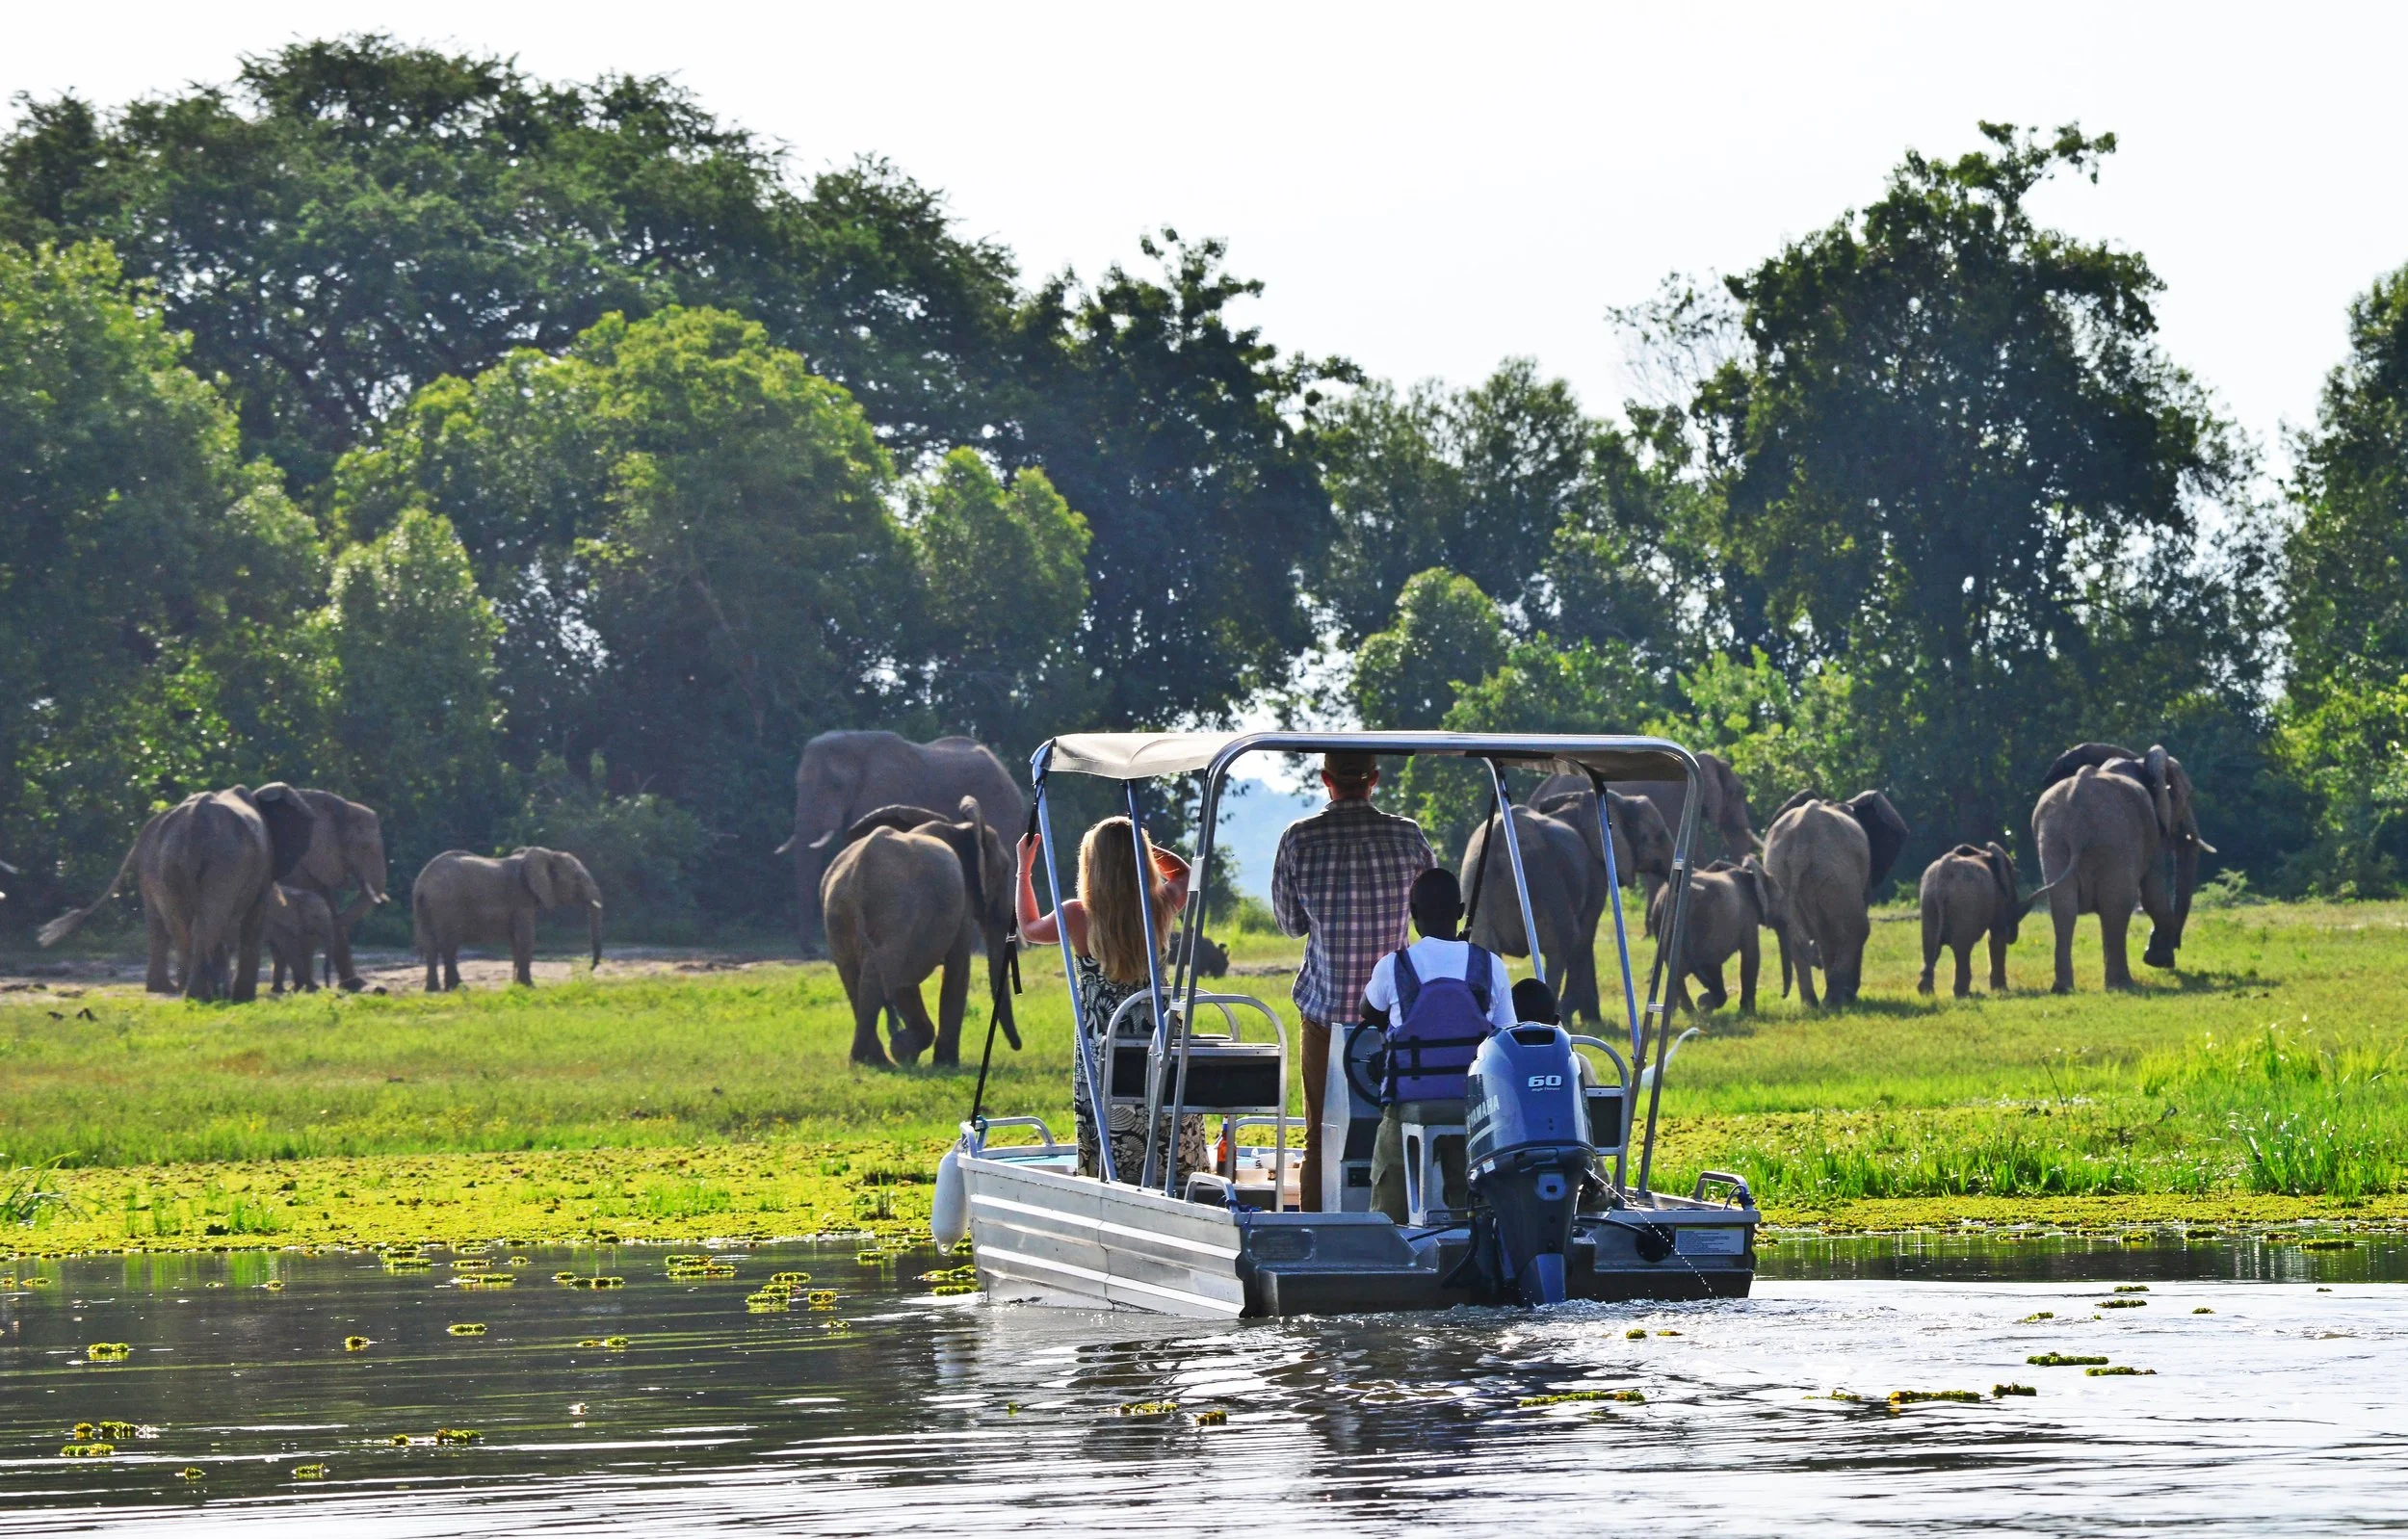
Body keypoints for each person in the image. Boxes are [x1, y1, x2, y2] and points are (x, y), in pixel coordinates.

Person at [1272, 751, 1434, 1210]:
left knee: (1320, 1133)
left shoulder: (1298, 839)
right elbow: (1428, 915)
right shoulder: (1408, 835)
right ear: (1374, 781)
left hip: (1325, 1012)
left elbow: (1290, 925)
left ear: (1326, 779)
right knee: (1400, 1122)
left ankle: (1316, 1225)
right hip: (1392, 1019)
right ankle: (1401, 1217)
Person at [1017, 816, 1209, 1186]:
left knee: (1108, 1116)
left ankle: (1111, 1183)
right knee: (1163, 1110)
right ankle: (1176, 1183)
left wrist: (1024, 873)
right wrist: (1142, 850)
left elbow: (1028, 928)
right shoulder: (1162, 904)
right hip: (1157, 1035)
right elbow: (1186, 875)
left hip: (1102, 1040)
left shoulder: (1077, 914)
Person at [1360, 868, 1517, 1223]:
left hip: (1411, 1103)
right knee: (1473, 1186)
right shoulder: (1489, 964)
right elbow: (1506, 1032)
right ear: (1460, 912)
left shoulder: (1393, 966)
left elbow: (1368, 1012)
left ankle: (1390, 1225)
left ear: (1412, 914)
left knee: (1390, 1170)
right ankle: (1472, 1231)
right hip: (1474, 1104)